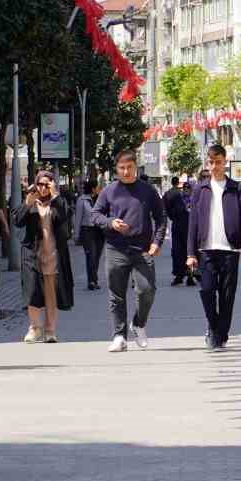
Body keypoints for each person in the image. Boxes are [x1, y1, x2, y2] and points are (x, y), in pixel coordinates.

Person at [90, 150, 167, 352]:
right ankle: (119, 336)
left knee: (147, 289)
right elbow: (95, 215)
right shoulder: (109, 191)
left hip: (142, 249)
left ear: (136, 166)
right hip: (116, 248)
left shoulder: (148, 190)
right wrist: (110, 223)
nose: (126, 172)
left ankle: (139, 323)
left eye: (129, 167)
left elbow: (161, 218)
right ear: (116, 169)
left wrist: (156, 242)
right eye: (122, 168)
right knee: (117, 294)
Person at [186, 144, 241, 350]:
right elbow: (193, 223)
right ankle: (213, 326)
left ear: (225, 162)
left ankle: (220, 333)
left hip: (230, 250)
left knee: (227, 295)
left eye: (218, 162)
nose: (215, 166)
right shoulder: (200, 189)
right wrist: (191, 253)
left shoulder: (236, 188)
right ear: (207, 163)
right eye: (211, 162)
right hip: (206, 250)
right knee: (207, 290)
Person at [16, 169, 75, 343]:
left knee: (51, 294)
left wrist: (56, 196)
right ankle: (34, 328)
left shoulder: (57, 203)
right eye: (40, 184)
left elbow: (65, 216)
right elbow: (17, 221)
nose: (43, 188)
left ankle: (50, 330)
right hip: (33, 255)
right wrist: (27, 203)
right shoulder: (30, 202)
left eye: (47, 185)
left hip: (53, 255)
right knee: (32, 291)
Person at [163, 177, 195, 286]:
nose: (187, 190)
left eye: (189, 188)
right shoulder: (175, 197)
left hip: (190, 229)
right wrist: (174, 218)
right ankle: (179, 276)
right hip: (178, 227)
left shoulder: (194, 199)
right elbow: (167, 209)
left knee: (189, 253)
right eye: (185, 188)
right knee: (177, 252)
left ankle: (190, 276)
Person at [76, 178, 104, 290]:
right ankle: (91, 281)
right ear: (93, 189)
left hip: (99, 231)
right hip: (87, 231)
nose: (99, 189)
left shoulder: (101, 200)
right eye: (98, 187)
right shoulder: (82, 200)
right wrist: (76, 235)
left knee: (97, 257)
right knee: (90, 256)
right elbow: (78, 218)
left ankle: (94, 279)